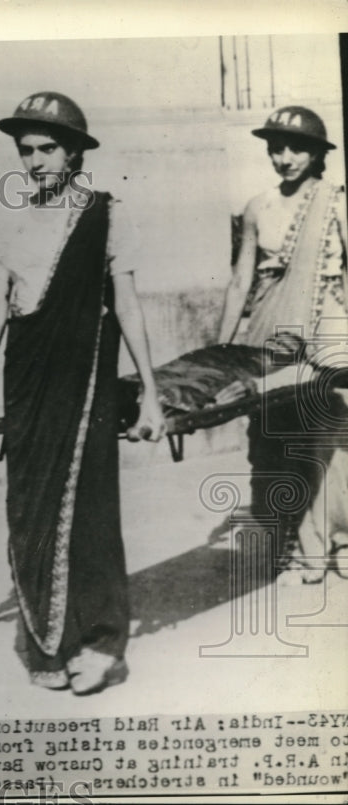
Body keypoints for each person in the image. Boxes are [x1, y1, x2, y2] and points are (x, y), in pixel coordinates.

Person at [0, 92, 164, 695]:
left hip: (85, 381)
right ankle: (50, 638)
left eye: (49, 148)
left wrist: (151, 393)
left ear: (75, 152)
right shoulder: (9, 218)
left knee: (90, 509)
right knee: (30, 509)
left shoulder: (106, 214)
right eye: (27, 150)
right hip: (26, 381)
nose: (36, 160)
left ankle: (100, 640)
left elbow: (127, 304)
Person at [216, 105, 347, 583]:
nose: (284, 157)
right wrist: (220, 353)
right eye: (276, 148)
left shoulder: (336, 202)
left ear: (317, 153)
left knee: (326, 438)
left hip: (326, 327)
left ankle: (331, 544)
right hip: (270, 328)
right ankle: (285, 542)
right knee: (271, 436)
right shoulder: (259, 207)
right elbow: (240, 284)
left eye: (296, 147)